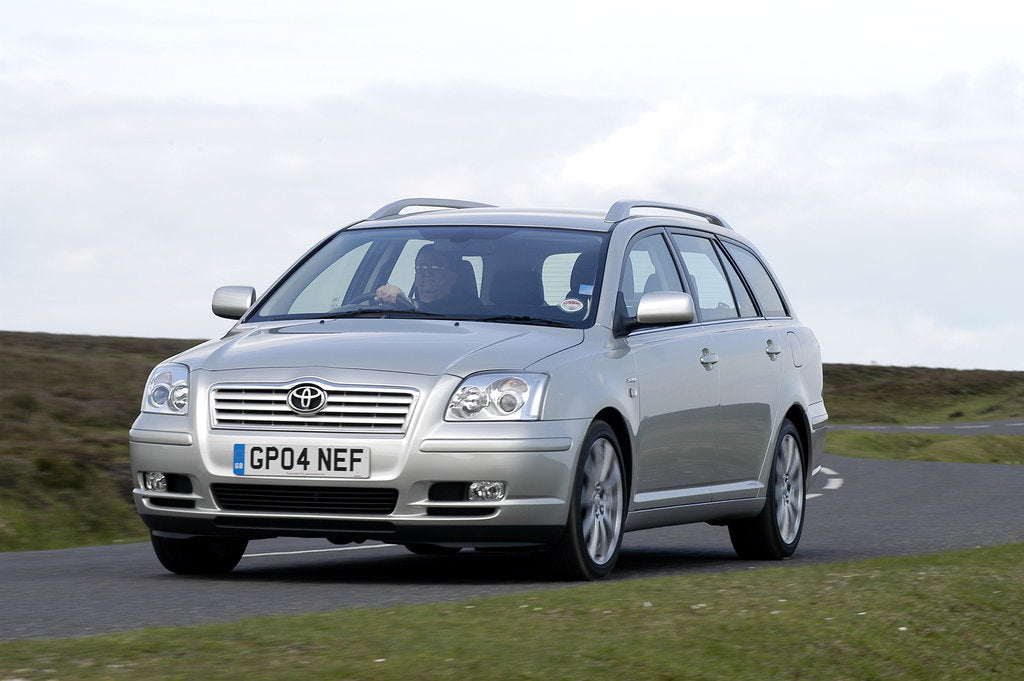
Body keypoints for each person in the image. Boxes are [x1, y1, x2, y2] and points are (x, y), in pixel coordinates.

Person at [374, 245, 479, 313]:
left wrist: (408, 303)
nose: (427, 273)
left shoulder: (469, 307)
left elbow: (437, 311)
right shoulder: (400, 311)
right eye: (421, 268)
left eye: (437, 267)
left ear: (453, 277)